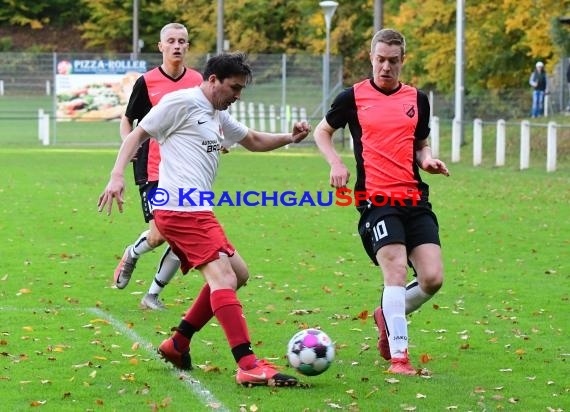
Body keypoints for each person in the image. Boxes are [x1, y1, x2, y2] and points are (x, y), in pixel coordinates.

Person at [98, 51, 311, 386]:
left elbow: (253, 140)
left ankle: (178, 343)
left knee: (238, 274)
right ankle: (248, 364)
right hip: (179, 209)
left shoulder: (216, 112)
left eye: (241, 89)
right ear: (213, 81)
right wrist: (116, 175)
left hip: (197, 209)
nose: (237, 96)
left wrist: (290, 138)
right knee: (224, 279)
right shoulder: (180, 102)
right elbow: (137, 134)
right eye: (234, 88)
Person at [313, 28, 449, 376]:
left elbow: (421, 143)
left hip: (414, 198)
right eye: (380, 60)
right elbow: (322, 131)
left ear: (403, 61)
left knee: (432, 278)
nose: (385, 67)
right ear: (371, 58)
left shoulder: (416, 99)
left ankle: (386, 314)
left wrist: (428, 160)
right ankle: (400, 358)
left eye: (393, 61)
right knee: (396, 270)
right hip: (375, 199)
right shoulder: (353, 97)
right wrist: (336, 162)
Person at [114, 22, 203, 310]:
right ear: (161, 46)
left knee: (186, 235)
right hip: (153, 168)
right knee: (160, 234)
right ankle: (132, 253)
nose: (177, 46)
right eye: (171, 41)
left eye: (182, 41)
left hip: (189, 170)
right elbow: (128, 119)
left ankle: (151, 295)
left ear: (188, 46)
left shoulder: (198, 81)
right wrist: (129, 147)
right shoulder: (147, 82)